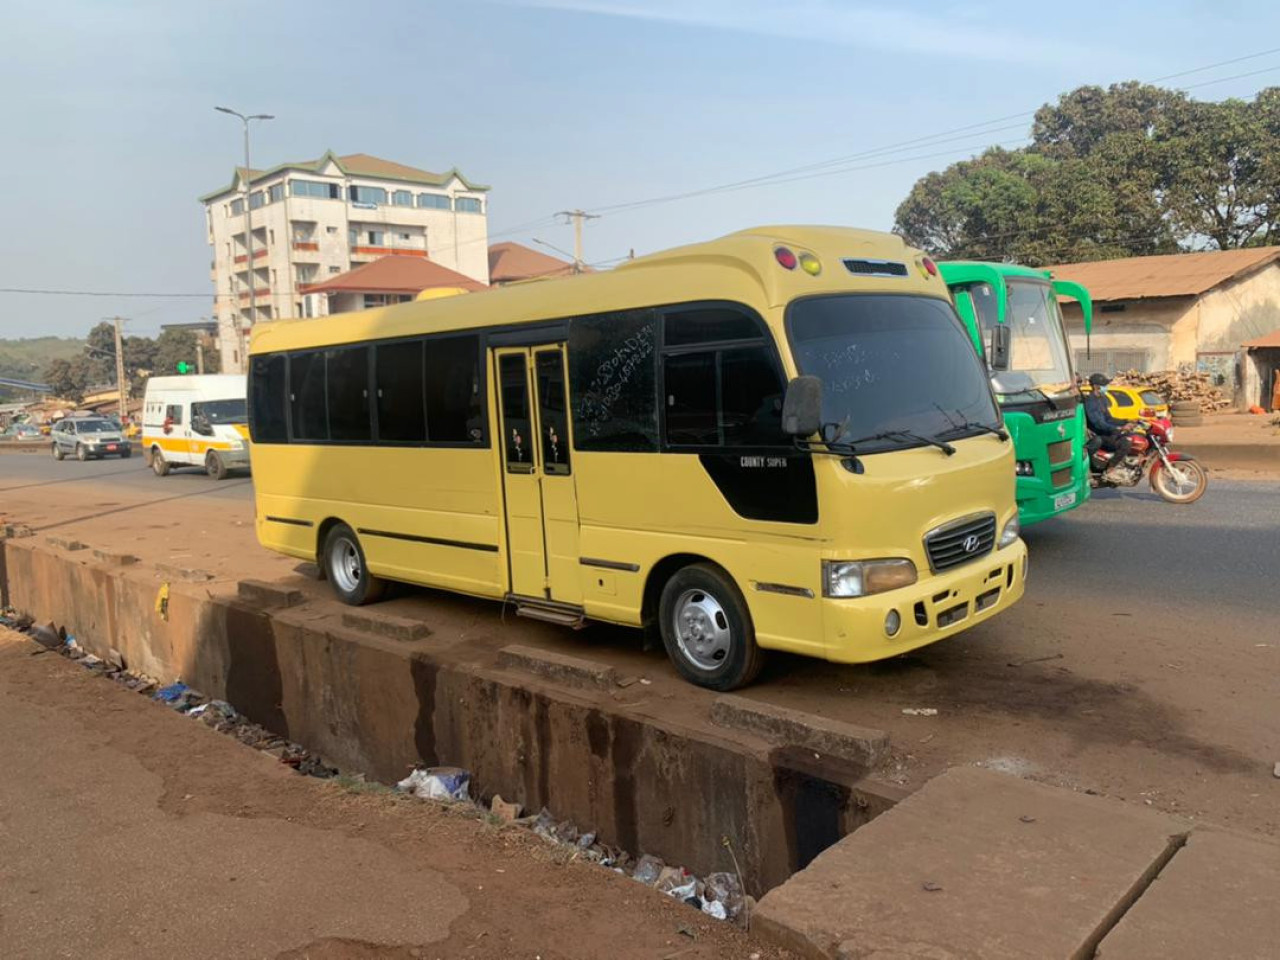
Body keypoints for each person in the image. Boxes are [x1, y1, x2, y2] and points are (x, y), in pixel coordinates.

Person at [1083, 374, 1134, 480]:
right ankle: (1110, 469)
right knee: (1125, 443)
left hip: (1106, 431)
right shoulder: (1090, 401)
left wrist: (1125, 421)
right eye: (1104, 385)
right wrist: (1116, 429)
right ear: (1096, 386)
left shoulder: (1102, 398)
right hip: (1099, 435)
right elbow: (1098, 423)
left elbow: (1109, 418)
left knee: (1132, 435)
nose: (1107, 387)